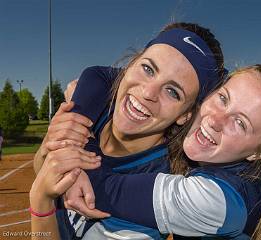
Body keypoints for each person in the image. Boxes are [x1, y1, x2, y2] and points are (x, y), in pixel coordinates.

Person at [30, 64, 261, 240]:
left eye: (240, 123)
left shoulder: (216, 200)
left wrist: (79, 127)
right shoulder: (217, 151)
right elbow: (102, 76)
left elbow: (105, 189)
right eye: (223, 98)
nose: (215, 119)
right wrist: (85, 99)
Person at [33, 22, 225, 239]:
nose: (147, 92)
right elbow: (42, 165)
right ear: (130, 66)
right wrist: (61, 144)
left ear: (185, 115)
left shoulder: (155, 191)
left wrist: (41, 202)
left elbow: (44, 187)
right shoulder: (96, 112)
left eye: (173, 92)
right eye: (148, 69)